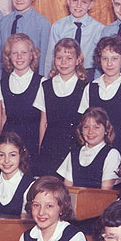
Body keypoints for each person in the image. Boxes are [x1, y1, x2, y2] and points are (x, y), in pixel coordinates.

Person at [15, 176, 87, 241]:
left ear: (62, 208)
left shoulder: (74, 237)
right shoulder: (26, 238)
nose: (41, 212)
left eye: (49, 206)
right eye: (36, 205)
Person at [34, 38, 87, 176]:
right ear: (54, 60)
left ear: (78, 60)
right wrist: (41, 150)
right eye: (59, 58)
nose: (63, 62)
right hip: (50, 147)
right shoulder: (45, 86)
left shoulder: (85, 87)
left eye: (69, 58)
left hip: (74, 146)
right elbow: (43, 122)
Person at [79, 36, 121, 155]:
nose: (109, 63)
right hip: (93, 152)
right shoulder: (90, 87)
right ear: (99, 60)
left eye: (114, 58)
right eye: (105, 58)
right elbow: (84, 124)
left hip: (119, 150)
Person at [0, 0, 50, 77]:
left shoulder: (42, 23)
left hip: (32, 76)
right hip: (7, 76)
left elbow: (44, 59)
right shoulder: (3, 22)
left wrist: (41, 81)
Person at [45, 0, 104, 78]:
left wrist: (97, 82)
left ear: (90, 5)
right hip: (63, 72)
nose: (78, 5)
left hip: (88, 74)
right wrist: (47, 79)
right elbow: (50, 57)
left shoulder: (99, 29)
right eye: (75, 0)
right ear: (68, 1)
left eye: (84, 2)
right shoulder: (58, 26)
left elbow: (100, 60)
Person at [0, 34, 43, 161]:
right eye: (14, 53)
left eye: (24, 52)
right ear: (8, 56)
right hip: (9, 143)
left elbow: (44, 122)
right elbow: (2, 117)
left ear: (31, 55)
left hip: (32, 142)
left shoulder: (42, 82)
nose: (19, 57)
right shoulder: (2, 83)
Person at [58, 107, 121, 190]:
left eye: (96, 127)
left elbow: (106, 191)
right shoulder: (74, 153)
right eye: (86, 127)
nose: (90, 132)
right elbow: (67, 188)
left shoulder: (112, 154)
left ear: (106, 130)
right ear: (81, 130)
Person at [0, 132, 34, 215]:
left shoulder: (30, 185)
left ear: (21, 155)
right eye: (1, 155)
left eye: (12, 155)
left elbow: (25, 220)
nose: (6, 160)